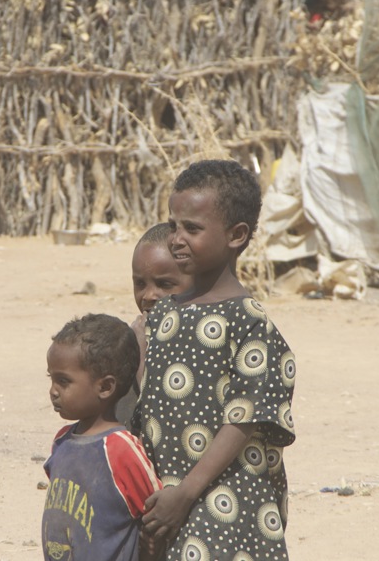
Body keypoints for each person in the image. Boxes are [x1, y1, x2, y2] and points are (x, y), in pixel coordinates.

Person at [135, 160, 298, 560]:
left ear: (236, 235)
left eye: (192, 229)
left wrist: (187, 493)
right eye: (174, 225)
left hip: (227, 503)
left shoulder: (248, 321)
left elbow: (246, 418)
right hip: (166, 500)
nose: (176, 239)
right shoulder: (164, 314)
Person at [42, 313, 163, 561]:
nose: (53, 391)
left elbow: (155, 516)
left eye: (63, 381)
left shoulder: (120, 449)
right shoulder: (62, 440)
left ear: (105, 387)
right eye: (51, 379)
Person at [116, 223, 193, 427]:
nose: (149, 296)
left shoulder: (199, 339)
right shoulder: (136, 333)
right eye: (140, 284)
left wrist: (140, 357)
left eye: (165, 285)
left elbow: (167, 409)